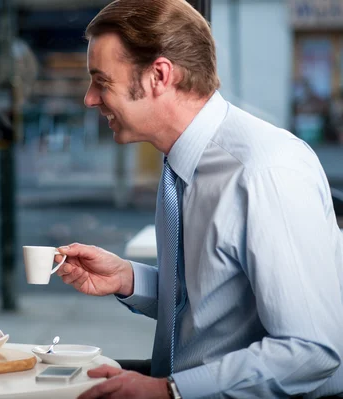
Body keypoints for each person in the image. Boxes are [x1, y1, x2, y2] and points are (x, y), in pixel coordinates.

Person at [55, 1, 343, 398]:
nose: (90, 98)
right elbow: (218, 306)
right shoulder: (183, 161)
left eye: (101, 81)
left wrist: (169, 391)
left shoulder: (265, 171)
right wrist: (127, 278)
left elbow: (311, 351)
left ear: (159, 75)